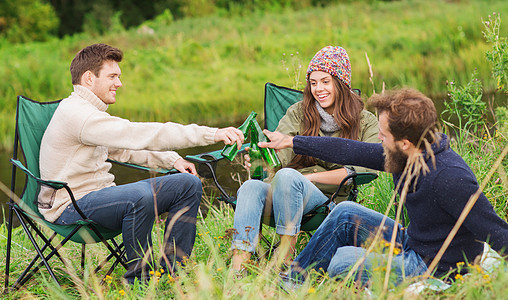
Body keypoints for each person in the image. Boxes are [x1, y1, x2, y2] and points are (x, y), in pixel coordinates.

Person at [38, 43, 244, 283]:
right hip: (70, 207)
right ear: (88, 79)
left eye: (119, 76)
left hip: (100, 197)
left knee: (188, 184)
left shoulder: (89, 113)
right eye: (112, 76)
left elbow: (123, 150)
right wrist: (211, 134)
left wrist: (172, 159)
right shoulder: (79, 115)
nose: (119, 83)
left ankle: (173, 269)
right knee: (139, 196)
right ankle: (139, 278)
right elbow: (140, 133)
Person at [259, 88, 508, 286]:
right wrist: (292, 141)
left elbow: (496, 231)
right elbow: (350, 150)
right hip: (412, 240)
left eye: (383, 135)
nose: (379, 139)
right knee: (344, 212)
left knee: (343, 262)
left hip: (434, 267)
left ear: (405, 142)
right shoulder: (405, 155)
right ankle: (292, 282)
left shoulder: (450, 178)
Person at [230, 46, 379, 272]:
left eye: (325, 81)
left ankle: (286, 258)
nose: (318, 89)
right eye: (313, 82)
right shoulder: (299, 112)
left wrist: (307, 180)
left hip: (325, 199)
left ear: (341, 82)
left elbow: (366, 168)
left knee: (289, 176)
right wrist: (262, 159)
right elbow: (280, 156)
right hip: (282, 191)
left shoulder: (365, 121)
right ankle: (239, 265)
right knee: (250, 186)